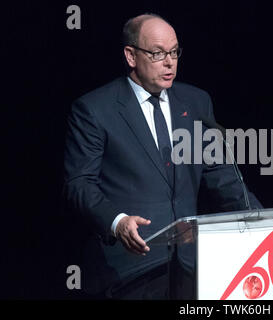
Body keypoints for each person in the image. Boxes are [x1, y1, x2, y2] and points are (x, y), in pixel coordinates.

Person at [63, 13, 262, 299]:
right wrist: (117, 222)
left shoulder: (196, 102)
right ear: (131, 56)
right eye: (157, 54)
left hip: (190, 268)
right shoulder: (94, 109)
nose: (170, 62)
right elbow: (79, 184)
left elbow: (222, 176)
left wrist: (262, 221)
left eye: (174, 52)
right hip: (130, 269)